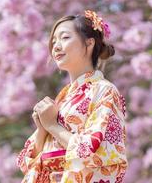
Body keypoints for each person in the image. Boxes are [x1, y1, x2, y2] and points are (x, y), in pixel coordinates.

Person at [16, 10, 128, 183]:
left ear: (89, 43)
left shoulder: (104, 91)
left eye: (65, 38)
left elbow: (102, 155)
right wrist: (42, 130)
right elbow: (26, 162)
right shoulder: (63, 98)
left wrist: (53, 126)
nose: (56, 46)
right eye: (54, 41)